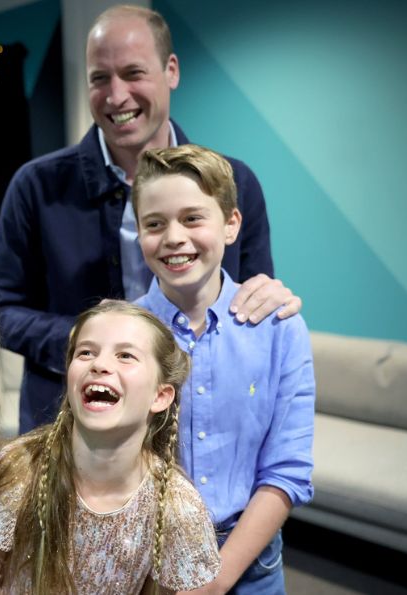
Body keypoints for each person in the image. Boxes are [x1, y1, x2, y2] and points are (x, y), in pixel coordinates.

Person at [0, 4, 302, 433]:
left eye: (133, 73)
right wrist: (90, 339)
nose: (116, 96)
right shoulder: (36, 186)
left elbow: (251, 300)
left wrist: (270, 298)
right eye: (100, 78)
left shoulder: (237, 182)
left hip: (201, 424)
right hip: (68, 424)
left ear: (171, 70)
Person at [132, 144, 314, 593]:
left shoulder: (279, 329)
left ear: (231, 224)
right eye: (154, 223)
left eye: (193, 218)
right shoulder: (121, 332)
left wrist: (217, 580)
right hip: (144, 562)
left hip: (252, 566)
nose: (174, 237)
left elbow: (287, 469)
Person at [0, 300, 221, 595]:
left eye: (125, 356)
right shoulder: (20, 471)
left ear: (160, 396)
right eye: (86, 352)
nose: (99, 364)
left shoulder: (176, 506)